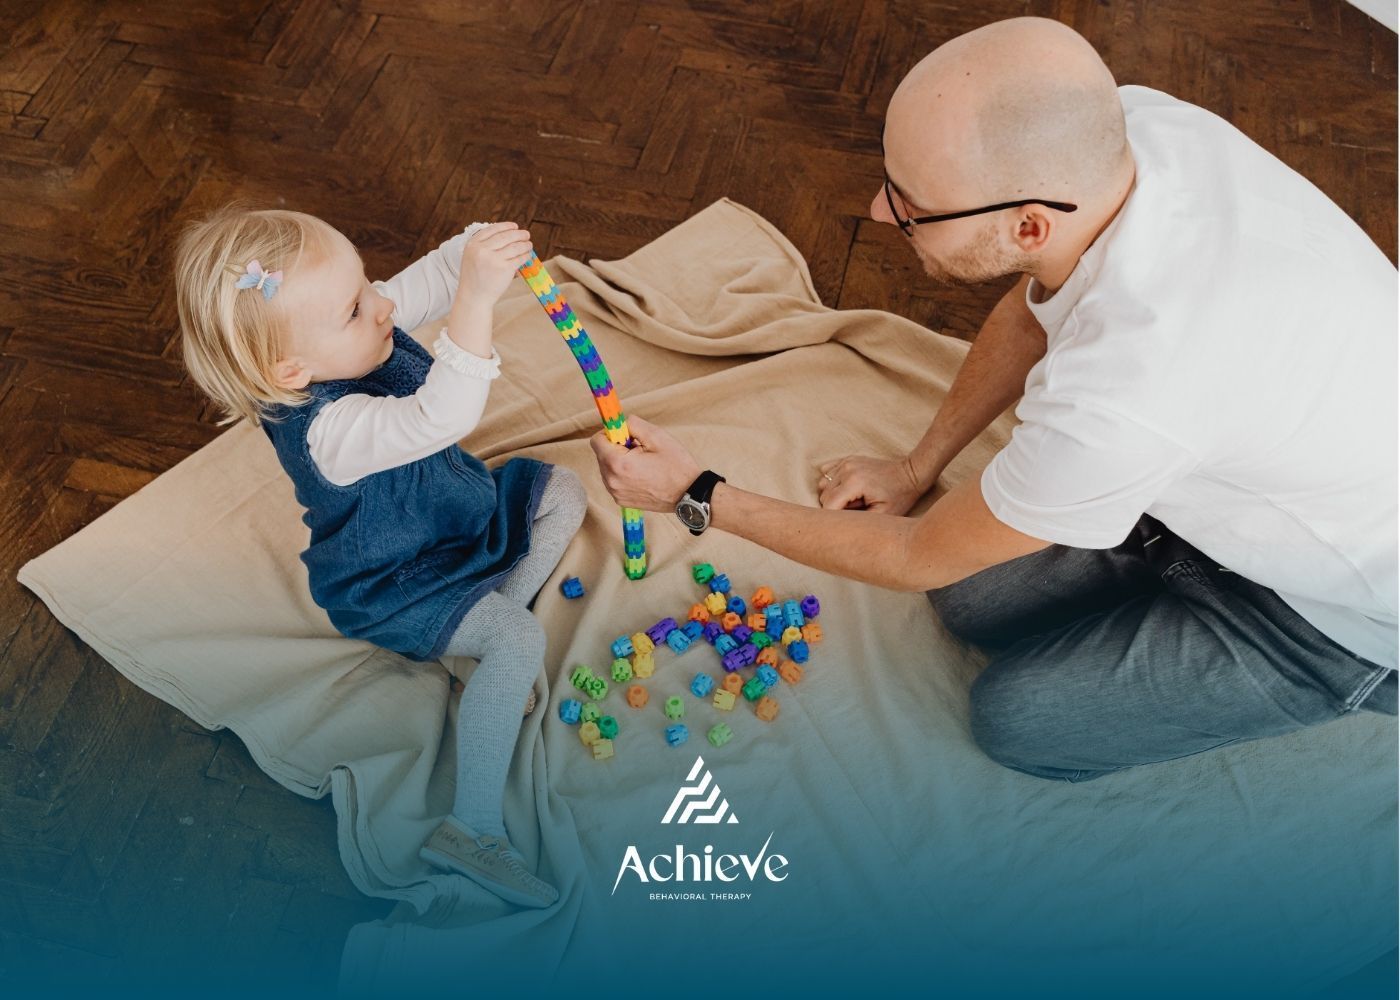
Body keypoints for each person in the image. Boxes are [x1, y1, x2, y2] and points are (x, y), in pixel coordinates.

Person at [589, 16, 1398, 782]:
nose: (878, 211)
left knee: (1018, 720)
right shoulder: (1136, 134)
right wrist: (916, 467)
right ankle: (1164, 544)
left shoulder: (1127, 389)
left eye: (911, 204)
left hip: (1334, 618)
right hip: (1230, 474)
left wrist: (696, 495)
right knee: (973, 598)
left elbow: (914, 557)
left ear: (1031, 225)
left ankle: (1340, 681)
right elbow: (1035, 311)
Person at [175, 208, 580, 905]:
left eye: (366, 283)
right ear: (293, 369)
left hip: (458, 520)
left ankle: (480, 638)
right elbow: (444, 417)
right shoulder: (326, 431)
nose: (383, 303)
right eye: (359, 303)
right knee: (520, 639)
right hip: (399, 581)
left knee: (562, 491)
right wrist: (476, 301)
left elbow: (422, 283)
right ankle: (472, 830)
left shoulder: (352, 330)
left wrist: (472, 248)